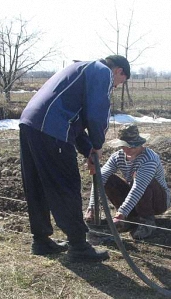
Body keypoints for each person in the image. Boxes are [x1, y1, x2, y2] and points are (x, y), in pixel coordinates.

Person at [19, 55, 130, 262]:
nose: (115, 87)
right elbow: (96, 115)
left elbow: (75, 118)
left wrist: (88, 150)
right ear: (119, 71)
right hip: (52, 128)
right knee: (66, 184)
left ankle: (41, 240)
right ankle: (79, 246)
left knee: (37, 183)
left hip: (30, 123)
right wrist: (97, 145)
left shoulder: (80, 69)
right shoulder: (102, 71)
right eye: (119, 83)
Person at [85, 124, 171, 240]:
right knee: (106, 178)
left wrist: (122, 212)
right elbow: (100, 178)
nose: (129, 149)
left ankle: (146, 220)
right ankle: (131, 218)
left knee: (144, 180)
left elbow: (138, 188)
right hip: (137, 197)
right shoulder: (117, 157)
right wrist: (92, 206)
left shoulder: (149, 159)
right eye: (126, 146)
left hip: (158, 201)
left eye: (133, 146)